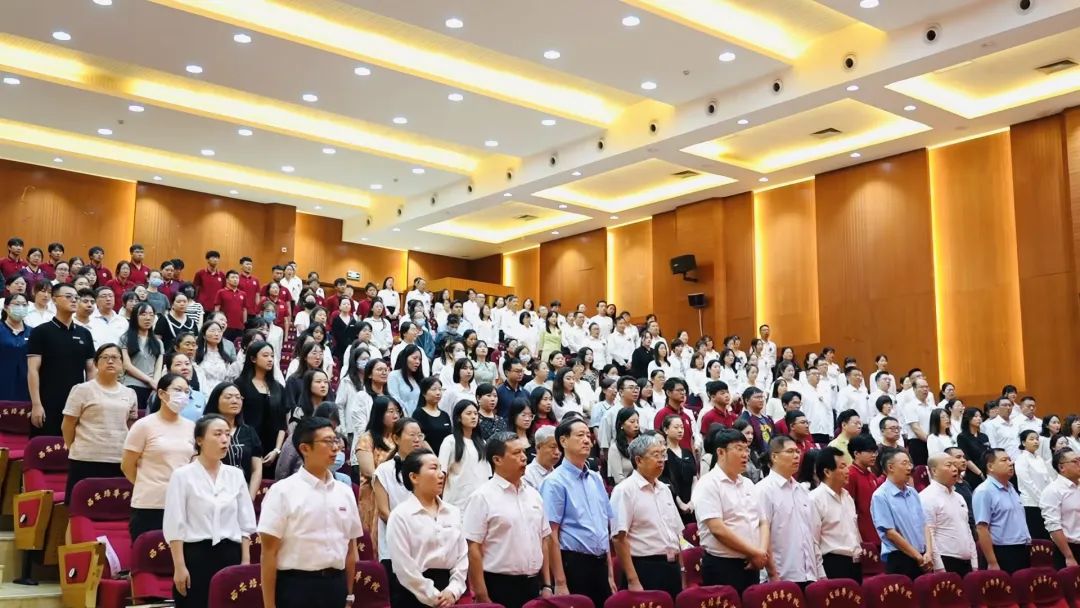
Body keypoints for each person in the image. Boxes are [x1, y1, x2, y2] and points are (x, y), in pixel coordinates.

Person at [258, 416, 363, 608]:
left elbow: (350, 549)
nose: (335, 448)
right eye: (327, 441)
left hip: (335, 585)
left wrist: (349, 595)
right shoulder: (282, 491)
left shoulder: (345, 492)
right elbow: (268, 553)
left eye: (336, 440)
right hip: (296, 586)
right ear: (305, 448)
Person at [164, 414, 256, 607]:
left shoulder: (236, 475)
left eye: (227, 434)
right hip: (196, 555)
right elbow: (175, 524)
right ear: (200, 440)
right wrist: (179, 566)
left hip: (230, 554)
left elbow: (245, 523)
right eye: (217, 434)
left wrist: (245, 562)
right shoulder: (182, 476)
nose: (224, 439)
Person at [464, 432, 553, 608]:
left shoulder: (534, 495)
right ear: (497, 460)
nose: (524, 457)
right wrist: (482, 594)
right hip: (499, 585)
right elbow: (473, 547)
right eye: (516, 453)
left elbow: (544, 539)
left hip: (533, 584)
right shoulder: (482, 497)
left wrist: (547, 585)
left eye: (523, 452)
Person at [542, 418, 616, 607]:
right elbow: (551, 534)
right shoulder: (554, 482)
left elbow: (604, 526)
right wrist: (560, 582)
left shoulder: (596, 479)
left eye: (589, 436)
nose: (587, 440)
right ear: (563, 441)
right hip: (575, 564)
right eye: (580, 435)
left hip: (600, 563)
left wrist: (610, 573)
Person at [386, 449, 468, 608]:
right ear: (414, 477)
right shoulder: (400, 515)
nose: (441, 474)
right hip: (412, 595)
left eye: (441, 468)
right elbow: (403, 567)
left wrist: (453, 591)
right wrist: (434, 597)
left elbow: (462, 556)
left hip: (448, 593)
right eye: (433, 468)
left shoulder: (453, 512)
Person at [692, 428, 768, 594]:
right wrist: (754, 552)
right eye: (739, 449)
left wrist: (761, 553)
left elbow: (762, 521)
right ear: (721, 452)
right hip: (723, 565)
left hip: (752, 563)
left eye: (746, 449)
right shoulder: (708, 484)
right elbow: (717, 529)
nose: (745, 455)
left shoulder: (748, 483)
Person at [122, 373, 197, 540]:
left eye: (187, 392)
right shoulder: (143, 425)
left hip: (181, 505)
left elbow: (192, 464)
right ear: (162, 394)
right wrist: (148, 484)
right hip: (149, 504)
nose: (183, 395)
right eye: (178, 390)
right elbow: (127, 466)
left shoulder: (191, 427)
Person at [61, 343, 138, 503]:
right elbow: (67, 425)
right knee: (80, 507)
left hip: (118, 460)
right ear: (96, 363)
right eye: (105, 357)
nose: (110, 361)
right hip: (86, 459)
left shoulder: (130, 393)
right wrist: (75, 447)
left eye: (115, 357)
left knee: (112, 508)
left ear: (122, 363)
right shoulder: (81, 389)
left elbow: (131, 427)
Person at [609, 433, 682, 600]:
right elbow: (619, 539)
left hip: (671, 568)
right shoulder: (624, 490)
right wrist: (633, 580)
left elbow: (677, 535)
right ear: (639, 460)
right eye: (655, 455)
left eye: (663, 455)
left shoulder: (665, 489)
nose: (661, 460)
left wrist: (682, 571)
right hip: (645, 568)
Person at [28, 283, 96, 436]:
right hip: (47, 400)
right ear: (54, 300)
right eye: (68, 296)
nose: (74, 300)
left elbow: (91, 370)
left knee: (73, 446)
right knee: (46, 445)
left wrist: (91, 401)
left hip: (76, 402)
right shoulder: (40, 332)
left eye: (76, 297)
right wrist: (36, 404)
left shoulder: (85, 333)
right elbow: (33, 370)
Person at [757, 435, 817, 585]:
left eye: (797, 451)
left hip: (808, 575)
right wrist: (772, 573)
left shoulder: (802, 490)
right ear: (774, 457)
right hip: (780, 576)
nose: (796, 456)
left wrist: (819, 574)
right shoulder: (763, 490)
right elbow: (762, 536)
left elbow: (810, 534)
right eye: (790, 451)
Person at [871, 448, 932, 579]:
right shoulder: (880, 496)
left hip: (923, 557)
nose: (909, 467)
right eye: (904, 463)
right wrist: (917, 556)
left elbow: (925, 524)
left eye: (909, 463)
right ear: (891, 467)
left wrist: (928, 552)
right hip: (900, 559)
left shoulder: (913, 492)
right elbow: (890, 533)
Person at [374, 418, 426, 568]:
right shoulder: (384, 470)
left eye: (420, 435)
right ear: (396, 438)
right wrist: (408, 532)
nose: (417, 439)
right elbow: (383, 512)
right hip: (394, 545)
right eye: (412, 435)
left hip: (423, 546)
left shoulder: (427, 468)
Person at [973, 448, 1032, 573]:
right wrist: (992, 562)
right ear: (990, 467)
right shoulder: (984, 491)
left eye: (1010, 460)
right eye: (1004, 460)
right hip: (1002, 551)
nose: (1010, 463)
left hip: (1022, 548)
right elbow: (982, 528)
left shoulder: (1011, 487)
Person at [919, 453, 977, 576]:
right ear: (934, 471)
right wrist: (939, 568)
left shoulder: (959, 497)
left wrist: (975, 563)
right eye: (949, 465)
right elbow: (929, 534)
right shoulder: (926, 497)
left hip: (967, 563)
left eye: (955, 465)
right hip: (946, 561)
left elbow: (967, 530)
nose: (955, 469)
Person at [810, 446, 862, 582]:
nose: (847, 471)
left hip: (855, 563)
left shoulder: (847, 496)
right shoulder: (815, 499)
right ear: (827, 472)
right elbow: (813, 541)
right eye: (842, 467)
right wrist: (821, 574)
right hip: (833, 564)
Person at [204, 382, 263, 498]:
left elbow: (256, 469)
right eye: (228, 397)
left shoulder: (249, 431)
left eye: (238, 397)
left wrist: (249, 498)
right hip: (213, 494)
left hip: (243, 493)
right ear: (216, 400)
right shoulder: (205, 430)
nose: (235, 401)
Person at [438, 400, 491, 508]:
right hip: (456, 501)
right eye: (469, 413)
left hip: (480, 500)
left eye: (476, 414)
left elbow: (487, 473)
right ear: (458, 417)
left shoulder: (482, 443)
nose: (473, 417)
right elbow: (442, 473)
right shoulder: (450, 441)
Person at [1039, 448, 1080, 568]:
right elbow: (1054, 527)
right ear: (1061, 467)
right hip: (1069, 548)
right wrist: (1069, 556)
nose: (1079, 463)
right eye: (1075, 461)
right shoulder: (1053, 491)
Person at [119, 302, 163, 410]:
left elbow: (158, 367)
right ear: (135, 317)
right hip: (131, 386)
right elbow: (127, 366)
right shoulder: (125, 339)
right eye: (143, 314)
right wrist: (150, 381)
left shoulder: (158, 342)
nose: (148, 318)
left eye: (151, 314)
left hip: (153, 388)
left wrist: (155, 384)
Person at [659, 415, 697, 524]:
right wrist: (680, 503)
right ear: (666, 430)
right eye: (676, 427)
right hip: (673, 504)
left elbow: (694, 478)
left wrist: (692, 501)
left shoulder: (687, 452)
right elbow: (666, 481)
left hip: (691, 504)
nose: (680, 430)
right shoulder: (664, 455)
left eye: (682, 427)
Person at [1016, 429, 1053, 540]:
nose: (1036, 441)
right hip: (1031, 503)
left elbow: (1048, 479)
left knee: (1048, 536)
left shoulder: (1039, 458)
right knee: (1037, 536)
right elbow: (1028, 483)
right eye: (1031, 439)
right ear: (1023, 442)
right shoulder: (1021, 459)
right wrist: (1042, 500)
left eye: (1037, 439)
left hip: (1045, 502)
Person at [0, 293, 31, 401]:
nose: (21, 308)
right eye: (17, 304)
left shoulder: (33, 332)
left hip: (25, 387)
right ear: (6, 307)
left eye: (24, 305)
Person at [957, 408, 990, 487]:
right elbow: (966, 458)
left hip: (987, 472)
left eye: (980, 416)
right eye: (976, 416)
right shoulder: (962, 437)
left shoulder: (984, 436)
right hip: (973, 474)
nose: (979, 418)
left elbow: (989, 454)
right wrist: (980, 473)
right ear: (968, 418)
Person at [606, 408, 641, 484]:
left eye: (637, 422)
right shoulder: (615, 448)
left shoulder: (642, 445)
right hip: (626, 488)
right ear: (621, 424)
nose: (636, 425)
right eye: (632, 422)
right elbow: (618, 479)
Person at [524, 425, 558, 490]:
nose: (557, 452)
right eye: (553, 447)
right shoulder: (527, 475)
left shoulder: (560, 474)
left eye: (560, 447)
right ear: (538, 447)